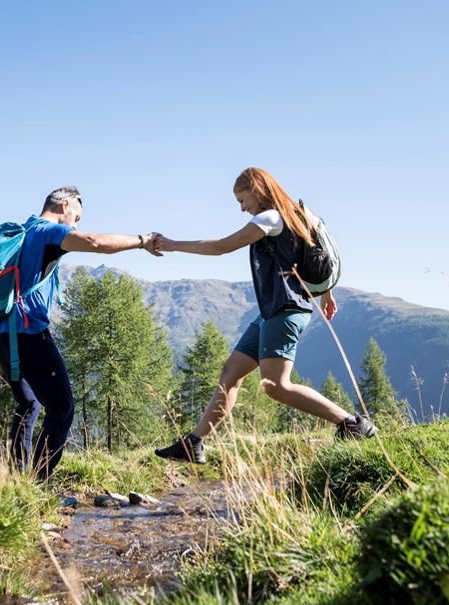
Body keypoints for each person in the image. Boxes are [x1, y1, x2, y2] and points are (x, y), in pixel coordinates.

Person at [153, 167, 377, 464]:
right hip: (273, 310)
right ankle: (193, 443)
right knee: (230, 373)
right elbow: (319, 256)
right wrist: (327, 292)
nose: (241, 207)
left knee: (275, 386)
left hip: (285, 310)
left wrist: (172, 244)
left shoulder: (270, 217)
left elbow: (221, 247)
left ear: (256, 190)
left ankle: (352, 424)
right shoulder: (296, 213)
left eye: (241, 199)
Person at [0, 186, 162, 480]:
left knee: (28, 403)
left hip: (0, 335)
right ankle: (39, 484)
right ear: (65, 205)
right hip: (29, 334)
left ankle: (18, 481)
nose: (76, 225)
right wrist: (141, 241)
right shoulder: (46, 231)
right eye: (76, 217)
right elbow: (94, 242)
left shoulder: (21, 232)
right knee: (62, 407)